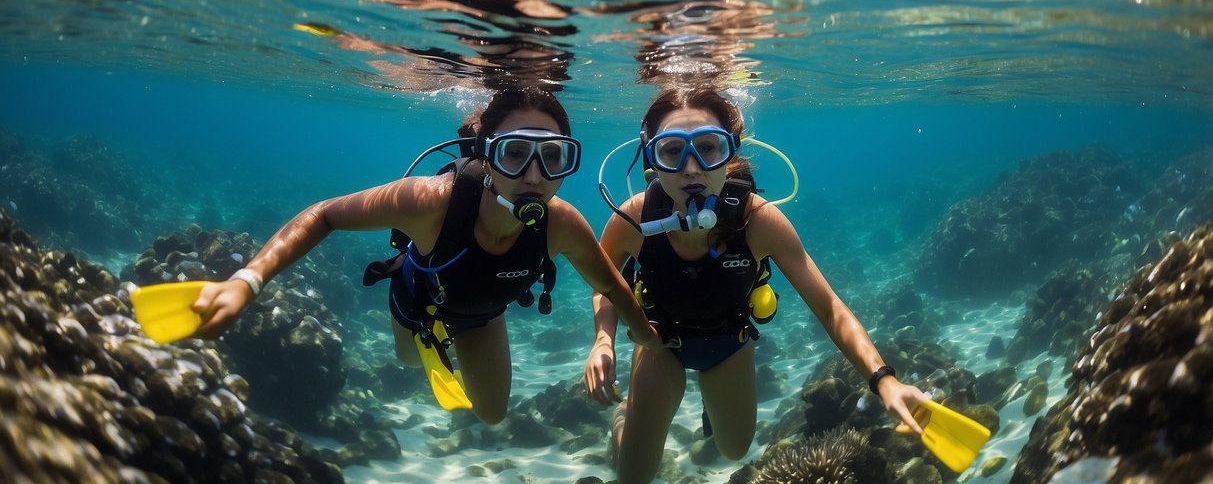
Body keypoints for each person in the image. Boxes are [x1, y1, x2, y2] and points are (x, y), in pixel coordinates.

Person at [192, 86, 662, 424]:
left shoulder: (563, 224)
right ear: (486, 155)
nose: (534, 175)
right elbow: (325, 215)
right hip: (420, 304)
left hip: (483, 313)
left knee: (495, 415)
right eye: (514, 154)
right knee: (409, 362)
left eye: (553, 157)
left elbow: (611, 285)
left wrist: (647, 338)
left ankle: (452, 344)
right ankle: (428, 342)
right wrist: (246, 281)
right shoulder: (430, 202)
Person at [583, 87, 928, 483]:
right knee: (634, 476)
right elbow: (602, 283)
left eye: (708, 148)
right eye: (671, 151)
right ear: (651, 157)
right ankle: (625, 416)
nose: (691, 168)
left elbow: (829, 307)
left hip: (727, 345)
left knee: (733, 448)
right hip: (659, 345)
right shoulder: (633, 218)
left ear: (729, 153)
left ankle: (706, 404)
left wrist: (884, 380)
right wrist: (603, 339)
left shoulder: (758, 221)